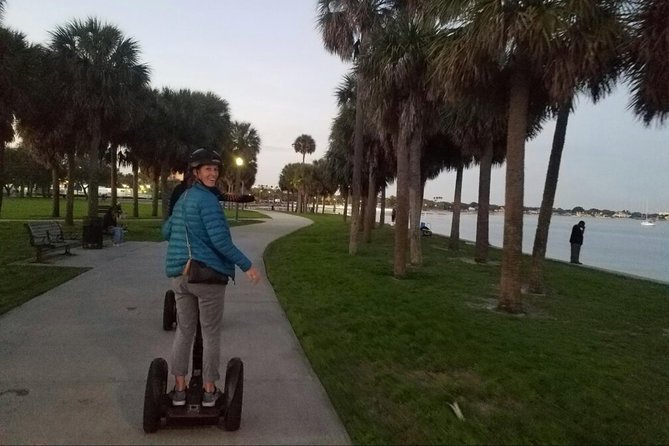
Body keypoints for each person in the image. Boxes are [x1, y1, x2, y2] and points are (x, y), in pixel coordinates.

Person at [163, 148, 261, 408]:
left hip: (179, 277)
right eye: (207, 169)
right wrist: (246, 265)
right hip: (206, 276)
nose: (213, 173)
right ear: (196, 172)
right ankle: (209, 390)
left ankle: (180, 389)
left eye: (216, 169)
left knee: (185, 331)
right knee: (210, 333)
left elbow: (166, 230)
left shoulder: (183, 198)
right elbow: (220, 240)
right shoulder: (207, 201)